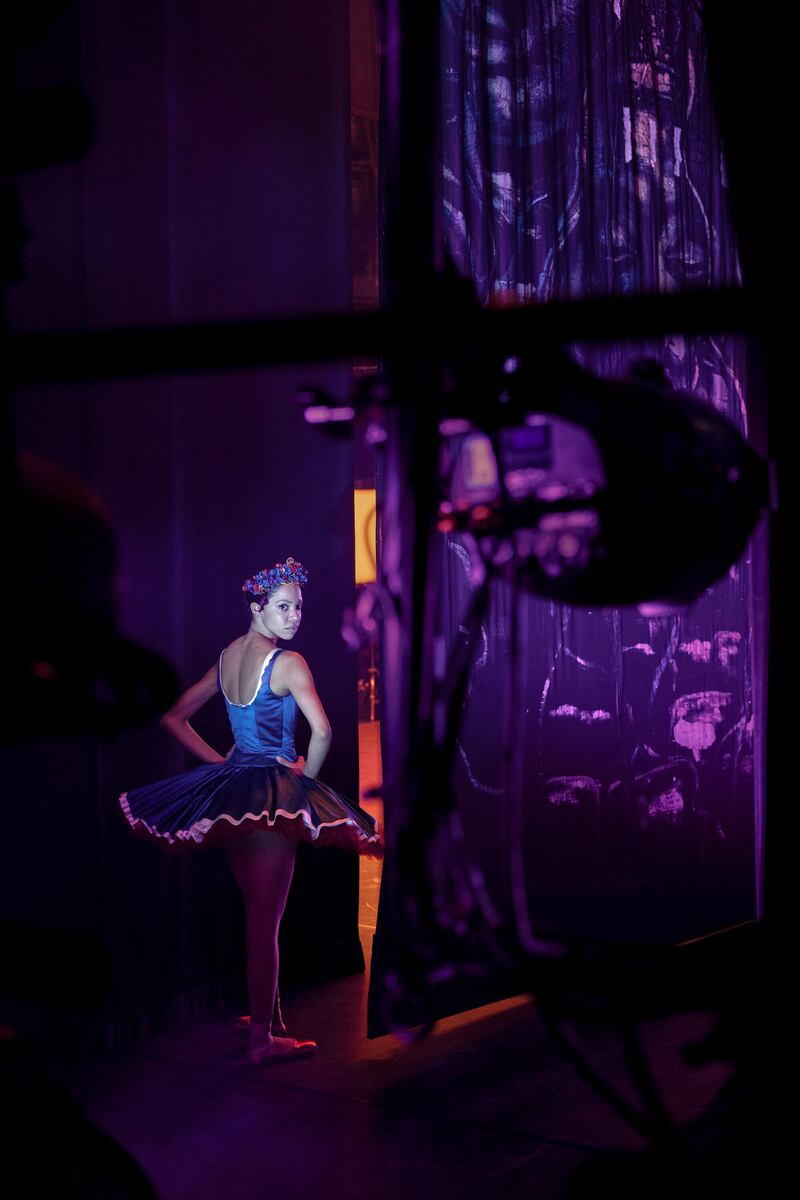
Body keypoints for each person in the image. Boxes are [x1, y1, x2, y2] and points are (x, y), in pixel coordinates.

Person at [120, 557, 382, 1065]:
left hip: (233, 793)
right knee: (266, 920)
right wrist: (304, 784)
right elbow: (323, 732)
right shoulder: (288, 662)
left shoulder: (227, 658)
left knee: (258, 914)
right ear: (257, 607)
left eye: (299, 607)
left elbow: (173, 717)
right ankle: (263, 1039)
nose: (295, 616)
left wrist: (223, 764)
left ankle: (268, 1015)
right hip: (267, 798)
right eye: (284, 607)